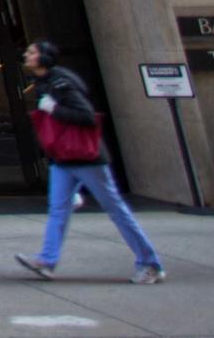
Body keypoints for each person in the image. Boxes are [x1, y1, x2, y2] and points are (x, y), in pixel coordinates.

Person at [15, 40, 164, 285]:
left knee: (116, 210)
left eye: (31, 52)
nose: (26, 55)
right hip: (63, 157)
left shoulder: (61, 84)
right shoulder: (44, 83)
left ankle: (150, 264)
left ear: (44, 57)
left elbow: (86, 116)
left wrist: (53, 109)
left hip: (86, 158)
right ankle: (47, 260)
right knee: (58, 209)